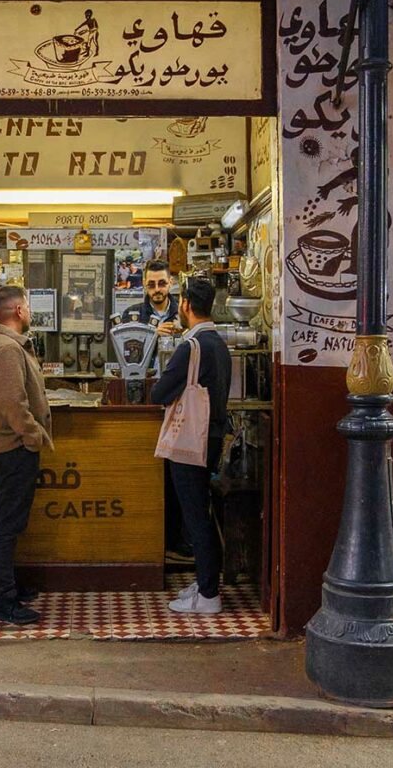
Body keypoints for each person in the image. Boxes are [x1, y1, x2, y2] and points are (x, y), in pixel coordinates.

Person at [0, 286, 53, 625]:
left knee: (5, 522)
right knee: (8, 526)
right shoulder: (7, 349)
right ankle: (3, 601)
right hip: (13, 448)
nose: (31, 313)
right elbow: (13, 404)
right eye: (29, 307)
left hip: (8, 447)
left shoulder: (2, 345)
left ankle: (6, 589)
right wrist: (33, 436)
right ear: (19, 310)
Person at [151, 278, 231, 614]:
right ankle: (205, 580)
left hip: (191, 439)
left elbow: (160, 393)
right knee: (201, 510)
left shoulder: (192, 346)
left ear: (185, 304)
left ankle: (209, 595)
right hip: (210, 436)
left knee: (195, 514)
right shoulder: (219, 343)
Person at [122, 259, 179, 338]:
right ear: (144, 284)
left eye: (162, 283)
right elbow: (125, 347)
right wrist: (152, 335)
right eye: (151, 284)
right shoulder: (131, 313)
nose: (157, 289)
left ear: (170, 282)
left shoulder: (182, 313)